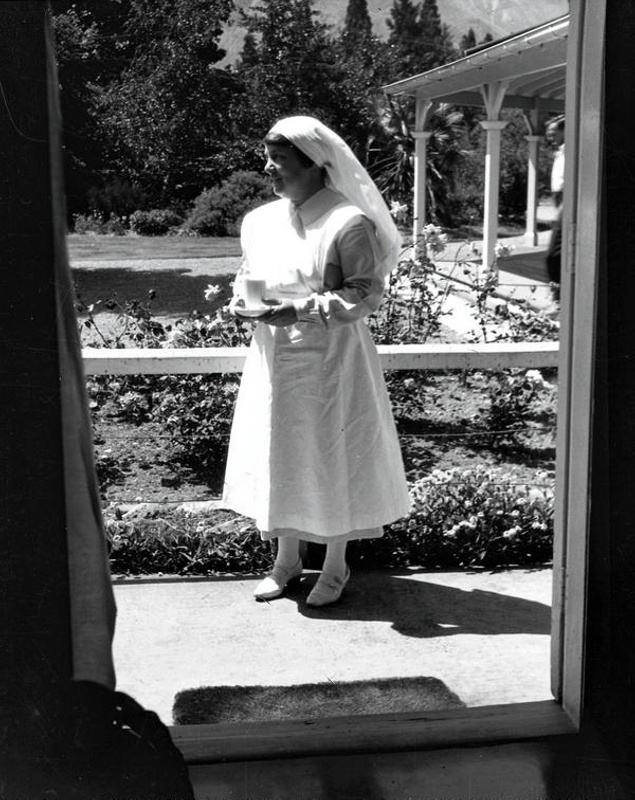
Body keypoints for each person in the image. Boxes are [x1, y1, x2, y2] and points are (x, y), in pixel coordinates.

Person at [222, 115, 411, 607]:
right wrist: (240, 302)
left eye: (279, 161)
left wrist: (302, 308)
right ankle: (285, 561)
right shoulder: (260, 221)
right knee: (281, 450)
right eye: (269, 158)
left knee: (331, 451)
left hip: (332, 358)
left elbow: (365, 294)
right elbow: (247, 275)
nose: (269, 169)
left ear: (315, 165)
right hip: (274, 357)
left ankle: (334, 564)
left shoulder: (347, 222)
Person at [545, 116, 565, 293]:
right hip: (560, 200)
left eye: (553, 133)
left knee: (553, 255)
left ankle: (558, 298)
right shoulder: (560, 151)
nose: (550, 137)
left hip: (566, 202)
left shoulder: (569, 151)